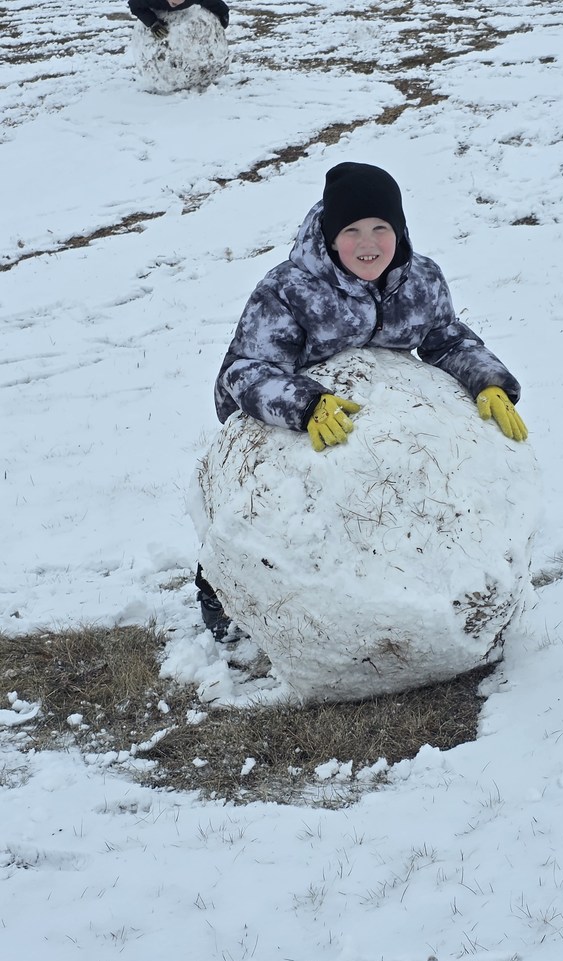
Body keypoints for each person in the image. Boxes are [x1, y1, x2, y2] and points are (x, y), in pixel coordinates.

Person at [199, 161, 529, 639]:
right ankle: (219, 582)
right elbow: (245, 370)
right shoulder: (288, 291)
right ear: (331, 237)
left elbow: (446, 339)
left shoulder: (421, 281)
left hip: (370, 412)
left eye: (381, 228)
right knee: (267, 508)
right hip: (268, 418)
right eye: (352, 230)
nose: (368, 243)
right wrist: (306, 404)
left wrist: (487, 380)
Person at [129, 0, 229, 39]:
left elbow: (216, 4)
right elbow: (135, 6)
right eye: (172, 2)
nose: (174, 5)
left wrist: (224, 16)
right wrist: (152, 23)